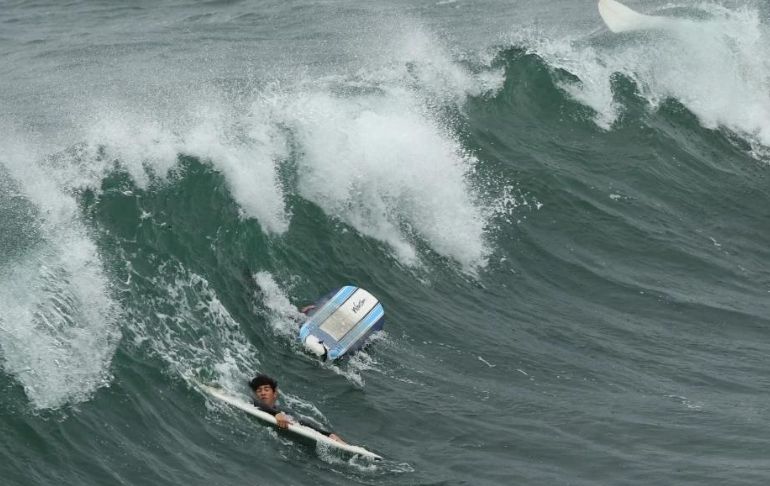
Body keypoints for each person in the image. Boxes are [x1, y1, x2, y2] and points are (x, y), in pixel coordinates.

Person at [249, 374, 345, 443]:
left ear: (274, 394)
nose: (263, 393)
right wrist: (276, 414)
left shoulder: (284, 410)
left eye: (266, 389)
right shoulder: (253, 403)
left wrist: (328, 434)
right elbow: (257, 403)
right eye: (259, 390)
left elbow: (302, 422)